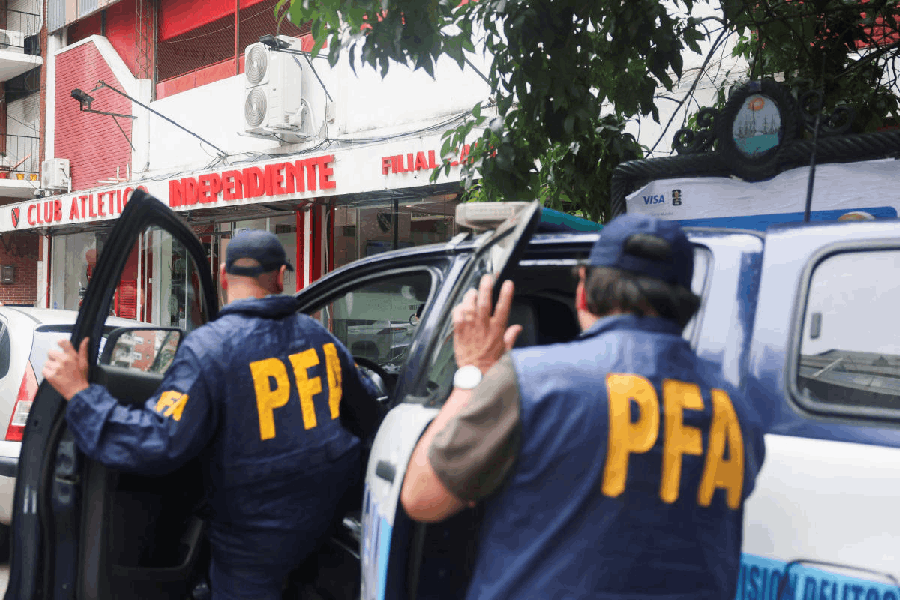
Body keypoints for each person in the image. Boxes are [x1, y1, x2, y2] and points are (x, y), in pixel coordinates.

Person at [400, 214, 766, 600]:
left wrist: (473, 373)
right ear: (684, 305)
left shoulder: (532, 381)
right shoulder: (738, 411)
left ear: (583, 292)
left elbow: (423, 497)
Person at [43, 229, 382, 600]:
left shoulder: (208, 349)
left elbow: (157, 441)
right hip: (326, 525)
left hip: (252, 549)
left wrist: (80, 394)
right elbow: (367, 414)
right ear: (280, 276)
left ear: (222, 275)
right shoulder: (320, 338)